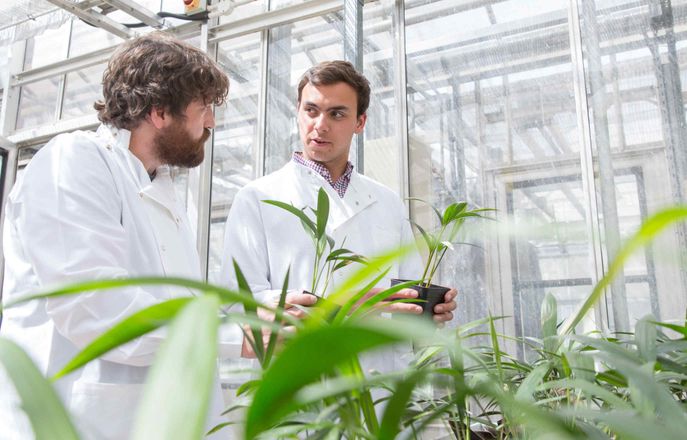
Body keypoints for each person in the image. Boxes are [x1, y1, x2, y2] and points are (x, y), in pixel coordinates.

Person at [0, 32, 233, 439]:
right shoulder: (72, 162)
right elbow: (94, 307)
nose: (210, 121)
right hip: (77, 419)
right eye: (204, 108)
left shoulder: (160, 189)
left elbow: (177, 306)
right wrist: (236, 333)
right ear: (159, 111)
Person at [219, 61, 457, 365]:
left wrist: (427, 312)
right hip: (300, 375)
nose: (320, 124)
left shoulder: (387, 202)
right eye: (311, 110)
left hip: (380, 383)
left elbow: (404, 298)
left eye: (337, 114)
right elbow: (239, 303)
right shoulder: (257, 198)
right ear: (298, 113)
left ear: (360, 122)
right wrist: (339, 305)